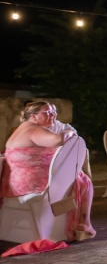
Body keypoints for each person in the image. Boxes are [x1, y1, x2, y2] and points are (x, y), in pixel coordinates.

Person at [2, 101, 96, 241]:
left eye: (54, 111)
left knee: (74, 178)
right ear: (33, 116)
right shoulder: (33, 129)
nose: (53, 115)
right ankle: (82, 223)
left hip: (15, 183)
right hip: (33, 183)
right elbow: (58, 140)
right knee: (82, 180)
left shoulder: (22, 129)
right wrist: (69, 132)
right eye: (47, 112)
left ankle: (69, 221)